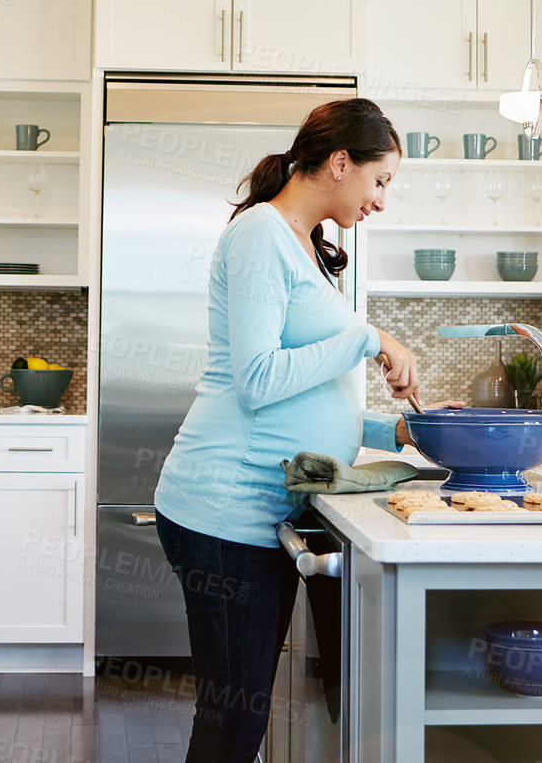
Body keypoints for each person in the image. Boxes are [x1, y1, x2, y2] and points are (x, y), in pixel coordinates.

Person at [153, 98, 443, 762]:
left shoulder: (304, 248)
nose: (380, 200)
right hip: (224, 511)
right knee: (231, 721)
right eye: (380, 180)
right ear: (340, 162)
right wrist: (367, 338)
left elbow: (308, 394)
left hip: (264, 508)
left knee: (238, 717)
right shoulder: (260, 232)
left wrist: (394, 429)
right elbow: (256, 379)